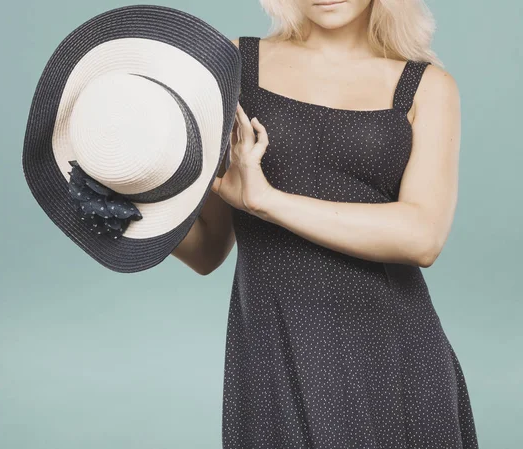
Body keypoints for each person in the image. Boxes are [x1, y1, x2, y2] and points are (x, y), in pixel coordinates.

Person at [172, 1, 479, 447]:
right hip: (271, 354)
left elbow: (423, 238)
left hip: (393, 359)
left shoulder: (428, 87)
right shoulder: (235, 67)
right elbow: (206, 250)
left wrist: (268, 202)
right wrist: (134, 210)